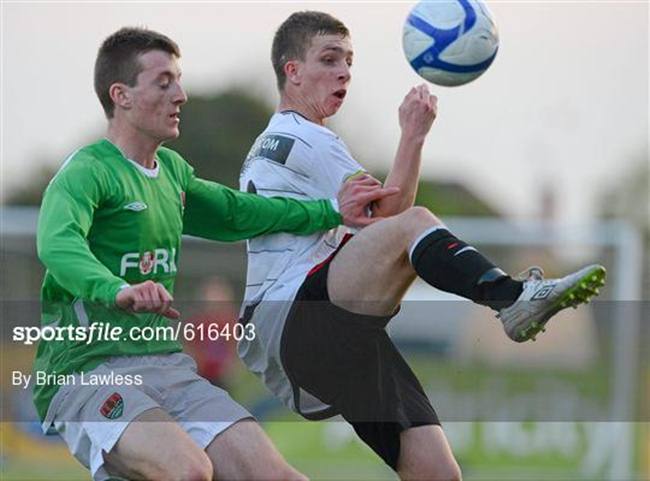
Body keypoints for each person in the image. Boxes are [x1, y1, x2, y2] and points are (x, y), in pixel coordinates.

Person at [238, 11, 606, 480]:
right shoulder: (308, 138)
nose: (344, 71)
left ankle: (513, 301)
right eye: (329, 59)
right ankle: (512, 298)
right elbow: (392, 220)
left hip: (305, 329)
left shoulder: (272, 142)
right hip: (297, 315)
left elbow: (385, 226)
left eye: (349, 61)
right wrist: (412, 135)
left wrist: (412, 141)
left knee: (437, 472)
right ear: (292, 71)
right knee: (415, 224)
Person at [34, 27, 395, 481]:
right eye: (164, 82)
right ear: (121, 95)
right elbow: (58, 244)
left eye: (179, 81)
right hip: (86, 372)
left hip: (167, 366)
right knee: (188, 471)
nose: (180, 95)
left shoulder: (172, 173)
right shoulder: (87, 171)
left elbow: (236, 213)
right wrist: (116, 289)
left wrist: (330, 210)